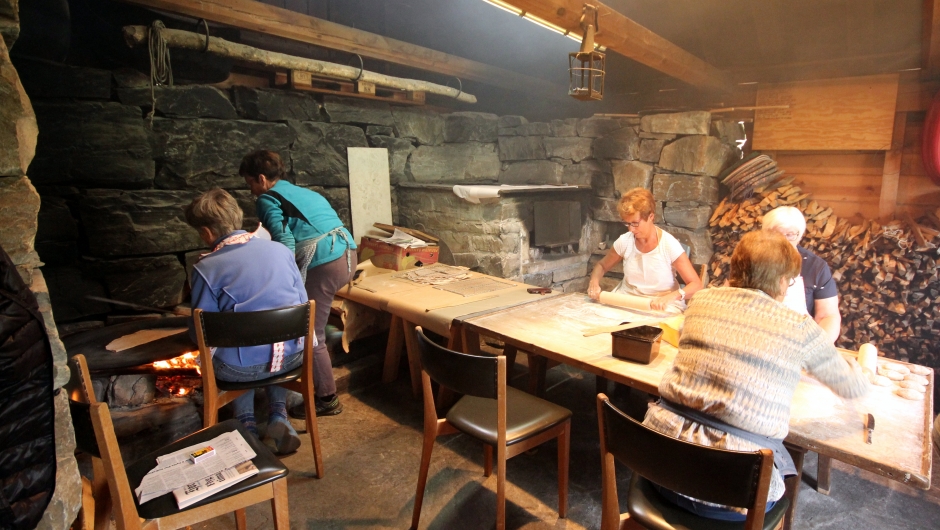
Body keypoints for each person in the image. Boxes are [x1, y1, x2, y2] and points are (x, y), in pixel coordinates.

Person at [643, 230, 869, 521]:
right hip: (729, 494)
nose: (788, 287)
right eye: (790, 280)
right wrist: (865, 369)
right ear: (780, 280)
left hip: (658, 465)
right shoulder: (799, 327)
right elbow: (852, 386)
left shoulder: (700, 302)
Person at [185, 189, 308, 455]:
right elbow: (303, 303)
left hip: (239, 370)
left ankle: (246, 424)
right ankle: (278, 415)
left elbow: (203, 333)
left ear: (206, 232)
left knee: (232, 352)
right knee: (275, 338)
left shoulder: (205, 268)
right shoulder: (281, 251)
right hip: (292, 359)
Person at [240, 150, 357, 418]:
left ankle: (327, 399)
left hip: (325, 261)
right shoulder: (307, 193)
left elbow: (285, 242)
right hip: (348, 255)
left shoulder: (268, 198)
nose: (251, 191)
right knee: (313, 313)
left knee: (309, 331)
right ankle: (327, 339)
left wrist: (277, 280)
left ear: (261, 179)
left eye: (250, 184)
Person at [587, 188, 702, 312]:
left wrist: (672, 296)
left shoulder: (669, 244)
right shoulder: (625, 241)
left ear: (651, 216)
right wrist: (594, 282)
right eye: (627, 224)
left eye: (635, 223)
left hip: (661, 304)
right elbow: (601, 266)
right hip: (628, 300)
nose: (631, 229)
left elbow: (696, 285)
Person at [762, 206, 841, 343]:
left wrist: (820, 347)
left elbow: (828, 316)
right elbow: (730, 298)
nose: (783, 240)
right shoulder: (750, 259)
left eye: (790, 234)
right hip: (758, 336)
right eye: (776, 234)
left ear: (799, 235)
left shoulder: (815, 267)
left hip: (800, 341)